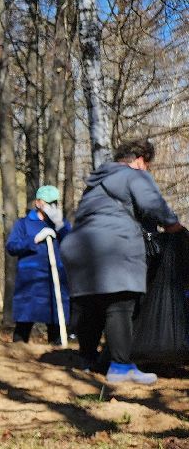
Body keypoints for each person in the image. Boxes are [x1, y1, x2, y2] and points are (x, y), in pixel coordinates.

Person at [60, 137, 185, 384]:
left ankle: (87, 361)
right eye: (147, 165)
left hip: (78, 246)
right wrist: (173, 225)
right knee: (120, 303)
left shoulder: (95, 183)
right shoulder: (134, 175)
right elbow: (153, 204)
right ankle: (121, 367)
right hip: (113, 245)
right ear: (139, 160)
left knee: (92, 303)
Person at [4, 186, 71, 343]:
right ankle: (16, 358)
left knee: (56, 324)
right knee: (24, 324)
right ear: (38, 202)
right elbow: (12, 246)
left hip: (54, 281)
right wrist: (33, 239)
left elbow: (72, 244)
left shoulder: (60, 223)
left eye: (54, 202)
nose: (52, 206)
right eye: (48, 203)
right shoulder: (24, 224)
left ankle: (57, 359)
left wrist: (60, 225)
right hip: (30, 282)